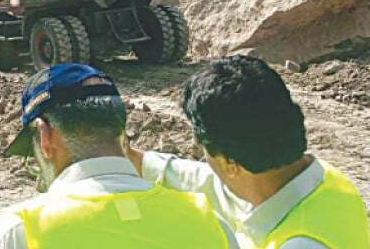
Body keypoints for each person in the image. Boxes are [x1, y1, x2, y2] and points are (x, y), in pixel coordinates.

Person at [0, 63, 236, 249]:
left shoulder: (20, 232)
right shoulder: (210, 222)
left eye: (32, 153)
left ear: (45, 137)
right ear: (123, 133)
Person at [125, 56, 370, 249]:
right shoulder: (319, 180)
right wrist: (132, 158)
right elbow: (205, 182)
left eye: (206, 153)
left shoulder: (299, 244)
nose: (206, 162)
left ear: (230, 163)